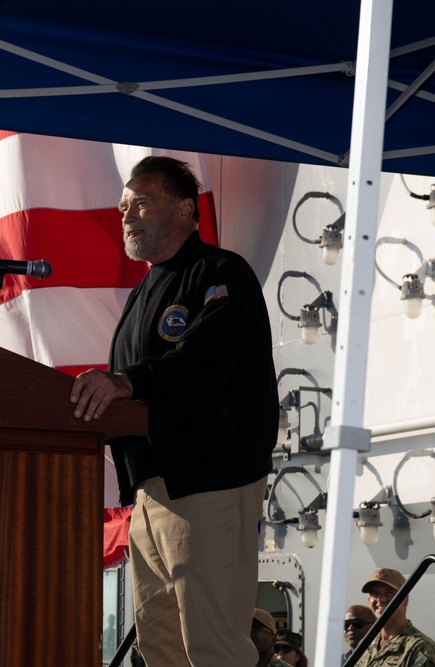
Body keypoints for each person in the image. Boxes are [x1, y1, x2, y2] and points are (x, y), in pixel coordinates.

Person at [70, 156, 277, 666]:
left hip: (208, 485)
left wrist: (125, 381)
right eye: (123, 206)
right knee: (159, 647)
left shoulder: (221, 273)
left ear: (186, 209)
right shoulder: (141, 294)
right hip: (150, 492)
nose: (127, 215)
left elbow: (200, 366)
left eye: (141, 202)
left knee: (213, 646)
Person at [355, 568, 435, 667]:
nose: (381, 599)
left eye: (389, 593)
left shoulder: (420, 648)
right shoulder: (366, 645)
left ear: (405, 600)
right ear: (369, 600)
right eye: (375, 594)